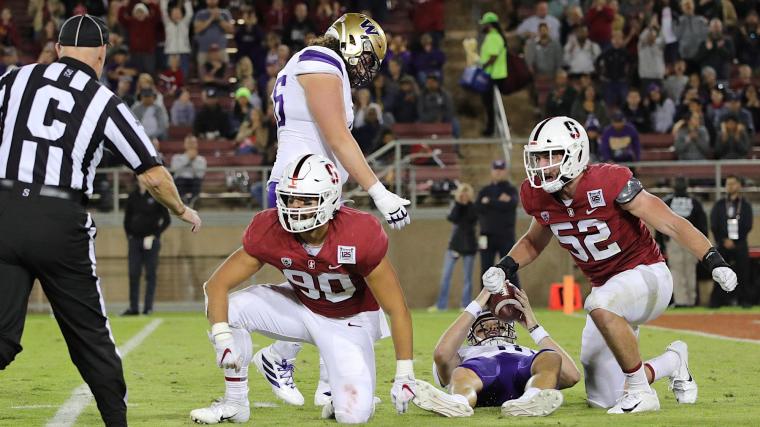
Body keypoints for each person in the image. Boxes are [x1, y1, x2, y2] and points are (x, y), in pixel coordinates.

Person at [0, 15, 201, 427]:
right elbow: (152, 174)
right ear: (102, 54)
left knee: (1, 334)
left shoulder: (15, 78)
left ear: (58, 49)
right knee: (89, 336)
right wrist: (181, 210)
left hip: (3, 210)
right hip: (58, 217)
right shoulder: (103, 101)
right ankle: (115, 420)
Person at [482, 116, 737, 413]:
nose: (542, 165)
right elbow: (533, 241)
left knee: (599, 302)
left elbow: (670, 222)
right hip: (608, 290)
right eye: (538, 157)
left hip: (648, 275)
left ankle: (641, 393)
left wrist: (713, 259)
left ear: (575, 154)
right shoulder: (539, 196)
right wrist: (504, 267)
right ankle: (672, 361)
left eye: (551, 156)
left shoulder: (608, 182)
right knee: (604, 398)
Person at [189, 154, 416, 424]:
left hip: (349, 322)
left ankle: (342, 397)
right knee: (232, 310)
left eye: (306, 200)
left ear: (330, 200)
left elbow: (397, 309)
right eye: (290, 198)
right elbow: (216, 285)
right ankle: (235, 403)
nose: (295, 207)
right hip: (300, 307)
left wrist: (405, 373)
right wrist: (223, 338)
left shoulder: (359, 233)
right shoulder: (270, 227)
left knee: (353, 417)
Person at [267, 13, 411, 230]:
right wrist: (379, 193)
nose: (366, 69)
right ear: (352, 43)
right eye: (367, 59)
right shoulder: (320, 59)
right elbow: (338, 139)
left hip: (309, 188)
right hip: (303, 193)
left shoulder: (314, 62)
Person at [413, 288, 580, 417]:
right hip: (481, 374)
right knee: (461, 372)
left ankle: (531, 399)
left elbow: (572, 375)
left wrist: (533, 327)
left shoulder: (528, 352)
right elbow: (441, 354)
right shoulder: (465, 353)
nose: (492, 330)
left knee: (551, 357)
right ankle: (458, 402)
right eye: (483, 328)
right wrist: (478, 302)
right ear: (470, 335)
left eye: (499, 326)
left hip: (523, 371)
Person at [656, 178, 708, 307]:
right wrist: (703, 242)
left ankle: (680, 301)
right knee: (690, 270)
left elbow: (658, 223)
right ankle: (691, 300)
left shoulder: (667, 201)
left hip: (674, 240)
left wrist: (660, 242)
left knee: (676, 271)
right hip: (691, 240)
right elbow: (703, 224)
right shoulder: (694, 202)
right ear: (687, 186)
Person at [122, 180, 171, 316]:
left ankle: (148, 308)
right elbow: (127, 219)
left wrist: (155, 235)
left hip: (151, 241)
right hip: (135, 240)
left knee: (150, 274)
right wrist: (129, 236)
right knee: (133, 273)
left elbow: (166, 220)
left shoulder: (156, 196)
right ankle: (133, 308)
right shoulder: (132, 196)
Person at [431, 183, 479, 311]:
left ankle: (465, 305)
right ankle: (441, 305)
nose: (464, 196)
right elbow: (452, 218)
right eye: (462, 194)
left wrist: (466, 205)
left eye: (466, 194)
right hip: (454, 245)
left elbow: (472, 219)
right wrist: (459, 204)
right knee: (445, 276)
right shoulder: (457, 206)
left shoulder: (473, 207)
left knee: (467, 278)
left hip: (469, 246)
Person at [710, 175, 753, 308]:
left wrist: (736, 240)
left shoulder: (745, 205)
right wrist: (723, 240)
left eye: (733, 183)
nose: (730, 186)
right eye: (728, 184)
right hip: (722, 244)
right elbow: (714, 224)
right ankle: (717, 302)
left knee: (743, 273)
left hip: (740, 244)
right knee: (721, 272)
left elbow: (748, 224)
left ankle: (745, 301)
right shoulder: (719, 205)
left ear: (739, 185)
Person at [476, 160, 519, 282]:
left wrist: (489, 202)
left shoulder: (511, 190)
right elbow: (478, 207)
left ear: (505, 171)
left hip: (506, 236)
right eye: (496, 169)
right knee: (485, 270)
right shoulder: (484, 190)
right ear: (492, 171)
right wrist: (499, 202)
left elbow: (511, 204)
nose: (498, 172)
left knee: (509, 269)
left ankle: (514, 294)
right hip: (485, 236)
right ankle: (485, 295)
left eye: (501, 169)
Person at [478, 12, 508, 136]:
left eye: (484, 24)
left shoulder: (493, 37)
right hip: (496, 74)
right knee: (490, 103)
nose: (482, 27)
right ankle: (492, 127)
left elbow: (493, 57)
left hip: (493, 74)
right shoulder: (495, 36)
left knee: (489, 103)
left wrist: (482, 66)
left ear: (489, 25)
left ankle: (491, 129)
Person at [170, 135, 207, 206]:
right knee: (178, 181)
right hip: (180, 181)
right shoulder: (176, 157)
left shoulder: (202, 159)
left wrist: (193, 160)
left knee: (197, 182)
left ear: (197, 144)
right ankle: (183, 202)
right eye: (189, 143)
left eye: (193, 143)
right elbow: (174, 171)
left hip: (194, 182)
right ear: (184, 144)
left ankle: (192, 202)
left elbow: (200, 175)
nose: (191, 145)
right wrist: (187, 158)